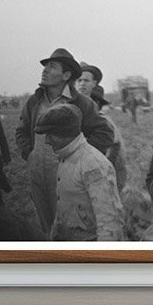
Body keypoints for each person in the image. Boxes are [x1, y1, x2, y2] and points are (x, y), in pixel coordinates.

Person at [14, 48, 116, 237]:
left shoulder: (82, 103)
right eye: (45, 67)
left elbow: (104, 133)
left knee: (70, 227)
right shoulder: (34, 102)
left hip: (68, 179)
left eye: (52, 67)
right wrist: (30, 154)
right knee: (48, 228)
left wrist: (82, 159)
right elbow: (21, 130)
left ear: (66, 75)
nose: (44, 70)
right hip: (37, 176)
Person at [34, 104, 123, 241]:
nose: (46, 141)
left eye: (50, 134)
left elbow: (110, 222)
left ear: (65, 132)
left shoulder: (94, 165)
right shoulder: (65, 156)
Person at [75, 62, 127, 190]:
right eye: (79, 80)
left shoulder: (103, 120)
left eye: (86, 80)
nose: (82, 83)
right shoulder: (75, 112)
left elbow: (113, 150)